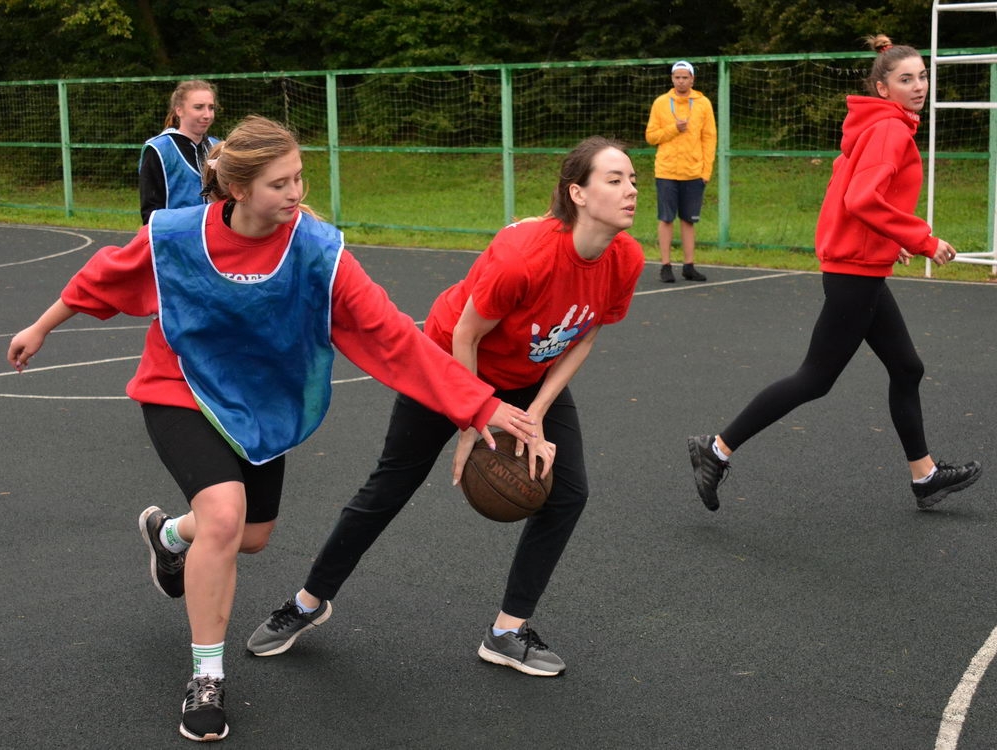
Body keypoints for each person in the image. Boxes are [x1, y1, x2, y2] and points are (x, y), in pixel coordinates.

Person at [6, 115, 535, 742]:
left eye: (299, 178)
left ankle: (171, 536)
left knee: (249, 537)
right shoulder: (177, 236)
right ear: (239, 189)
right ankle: (207, 678)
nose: (295, 193)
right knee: (225, 518)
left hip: (262, 405)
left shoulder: (317, 251)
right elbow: (104, 275)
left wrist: (479, 404)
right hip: (181, 387)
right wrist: (41, 326)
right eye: (279, 183)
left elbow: (393, 336)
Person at [245, 136, 645, 678]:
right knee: (390, 486)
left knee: (568, 492)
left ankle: (507, 631)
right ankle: (308, 603)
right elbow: (466, 333)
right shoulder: (524, 258)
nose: (631, 190)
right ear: (577, 192)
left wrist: (537, 415)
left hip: (528, 374)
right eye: (615, 179)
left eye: (633, 180)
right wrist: (471, 419)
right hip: (447, 360)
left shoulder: (626, 258)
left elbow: (584, 335)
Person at [687, 35, 982, 512]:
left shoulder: (877, 126)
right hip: (854, 274)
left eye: (922, 76)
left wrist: (888, 241)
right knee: (815, 378)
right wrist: (920, 239)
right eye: (906, 79)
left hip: (859, 267)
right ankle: (715, 450)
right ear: (883, 88)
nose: (918, 85)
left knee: (907, 368)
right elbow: (861, 199)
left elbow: (846, 189)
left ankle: (924, 476)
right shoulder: (889, 131)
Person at [645, 60, 716, 283]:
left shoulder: (703, 104)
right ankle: (665, 265)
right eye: (677, 77)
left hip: (693, 172)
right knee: (666, 219)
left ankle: (689, 265)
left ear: (692, 79)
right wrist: (673, 129)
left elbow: (709, 139)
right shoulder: (661, 103)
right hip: (666, 171)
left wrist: (706, 172)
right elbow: (651, 136)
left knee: (688, 220)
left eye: (685, 77)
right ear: (672, 79)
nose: (681, 81)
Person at [138, 79, 220, 224]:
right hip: (175, 240)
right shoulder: (158, 150)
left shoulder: (218, 147)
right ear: (179, 110)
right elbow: (150, 215)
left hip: (213, 240)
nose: (207, 115)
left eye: (211, 107)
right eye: (199, 107)